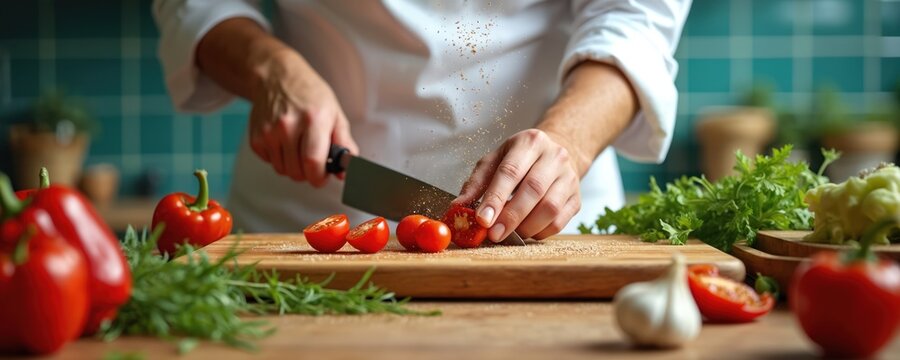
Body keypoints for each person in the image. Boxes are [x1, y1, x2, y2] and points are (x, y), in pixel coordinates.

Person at [154, 0, 690, 242]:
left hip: (545, 214)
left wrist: (569, 141)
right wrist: (270, 67)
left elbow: (635, 19)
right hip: (304, 226)